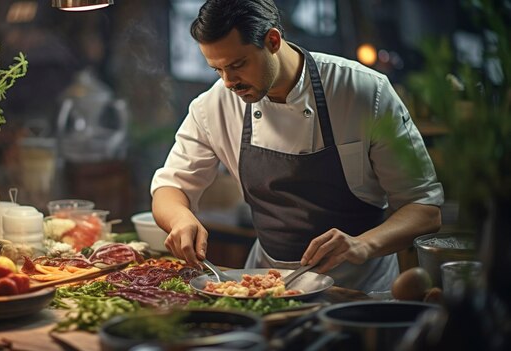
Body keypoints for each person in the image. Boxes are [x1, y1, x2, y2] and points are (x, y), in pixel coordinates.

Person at [150, 0, 443, 292]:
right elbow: (170, 187)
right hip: (266, 287)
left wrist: (363, 244)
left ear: (273, 40)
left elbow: (424, 209)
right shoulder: (213, 106)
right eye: (217, 69)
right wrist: (180, 219)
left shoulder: (364, 92)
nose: (229, 82)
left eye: (238, 65)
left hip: (359, 290)